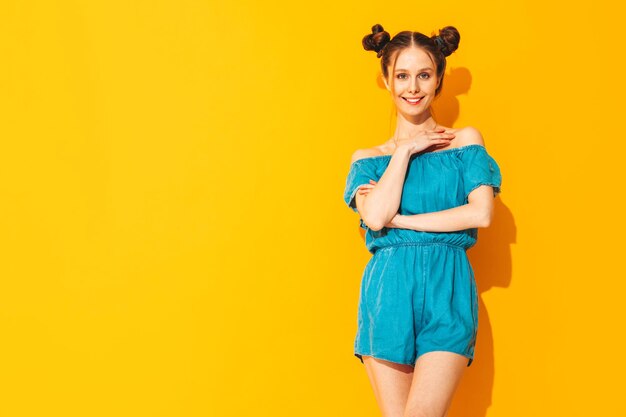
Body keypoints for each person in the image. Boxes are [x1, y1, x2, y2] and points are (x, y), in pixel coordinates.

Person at [343, 24, 502, 417]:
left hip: (446, 290)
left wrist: (404, 222)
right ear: (385, 80)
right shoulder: (367, 158)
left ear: (438, 80)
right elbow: (377, 215)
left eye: (424, 75)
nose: (412, 87)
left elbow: (480, 213)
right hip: (387, 293)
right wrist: (405, 151)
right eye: (402, 75)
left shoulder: (464, 141)